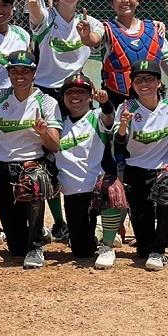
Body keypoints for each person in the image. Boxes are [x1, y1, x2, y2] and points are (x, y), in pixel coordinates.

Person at [26, 0, 104, 242]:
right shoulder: (47, 17)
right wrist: (33, 3)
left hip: (76, 93)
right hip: (46, 93)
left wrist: (87, 38)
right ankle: (59, 223)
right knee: (48, 156)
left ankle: (95, 220)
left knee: (78, 152)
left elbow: (96, 40)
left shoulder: (91, 22)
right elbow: (35, 15)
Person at [0, 51, 62, 268]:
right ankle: (30, 235)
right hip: (4, 167)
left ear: (34, 73)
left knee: (35, 182)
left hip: (33, 164)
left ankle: (36, 245)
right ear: (8, 73)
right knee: (16, 248)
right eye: (15, 70)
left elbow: (55, 145)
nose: (20, 75)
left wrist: (43, 132)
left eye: (25, 70)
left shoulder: (45, 101)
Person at [114, 60, 168, 271]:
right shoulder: (126, 108)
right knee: (142, 249)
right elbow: (118, 146)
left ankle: (160, 248)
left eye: (149, 79)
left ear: (159, 82)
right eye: (138, 80)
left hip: (163, 169)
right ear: (132, 84)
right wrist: (124, 126)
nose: (143, 84)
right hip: (135, 170)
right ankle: (151, 244)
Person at [55, 71, 122, 268]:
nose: (75, 96)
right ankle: (97, 232)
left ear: (90, 95)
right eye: (70, 92)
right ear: (63, 96)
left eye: (81, 92)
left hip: (97, 188)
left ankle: (108, 240)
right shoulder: (59, 124)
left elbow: (109, 118)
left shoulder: (96, 116)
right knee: (82, 252)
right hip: (72, 191)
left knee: (111, 189)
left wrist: (105, 102)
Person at [101, 0, 168, 107]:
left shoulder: (154, 30)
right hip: (116, 99)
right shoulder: (104, 30)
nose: (125, 0)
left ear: (138, 1)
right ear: (111, 3)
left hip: (151, 100)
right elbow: (89, 42)